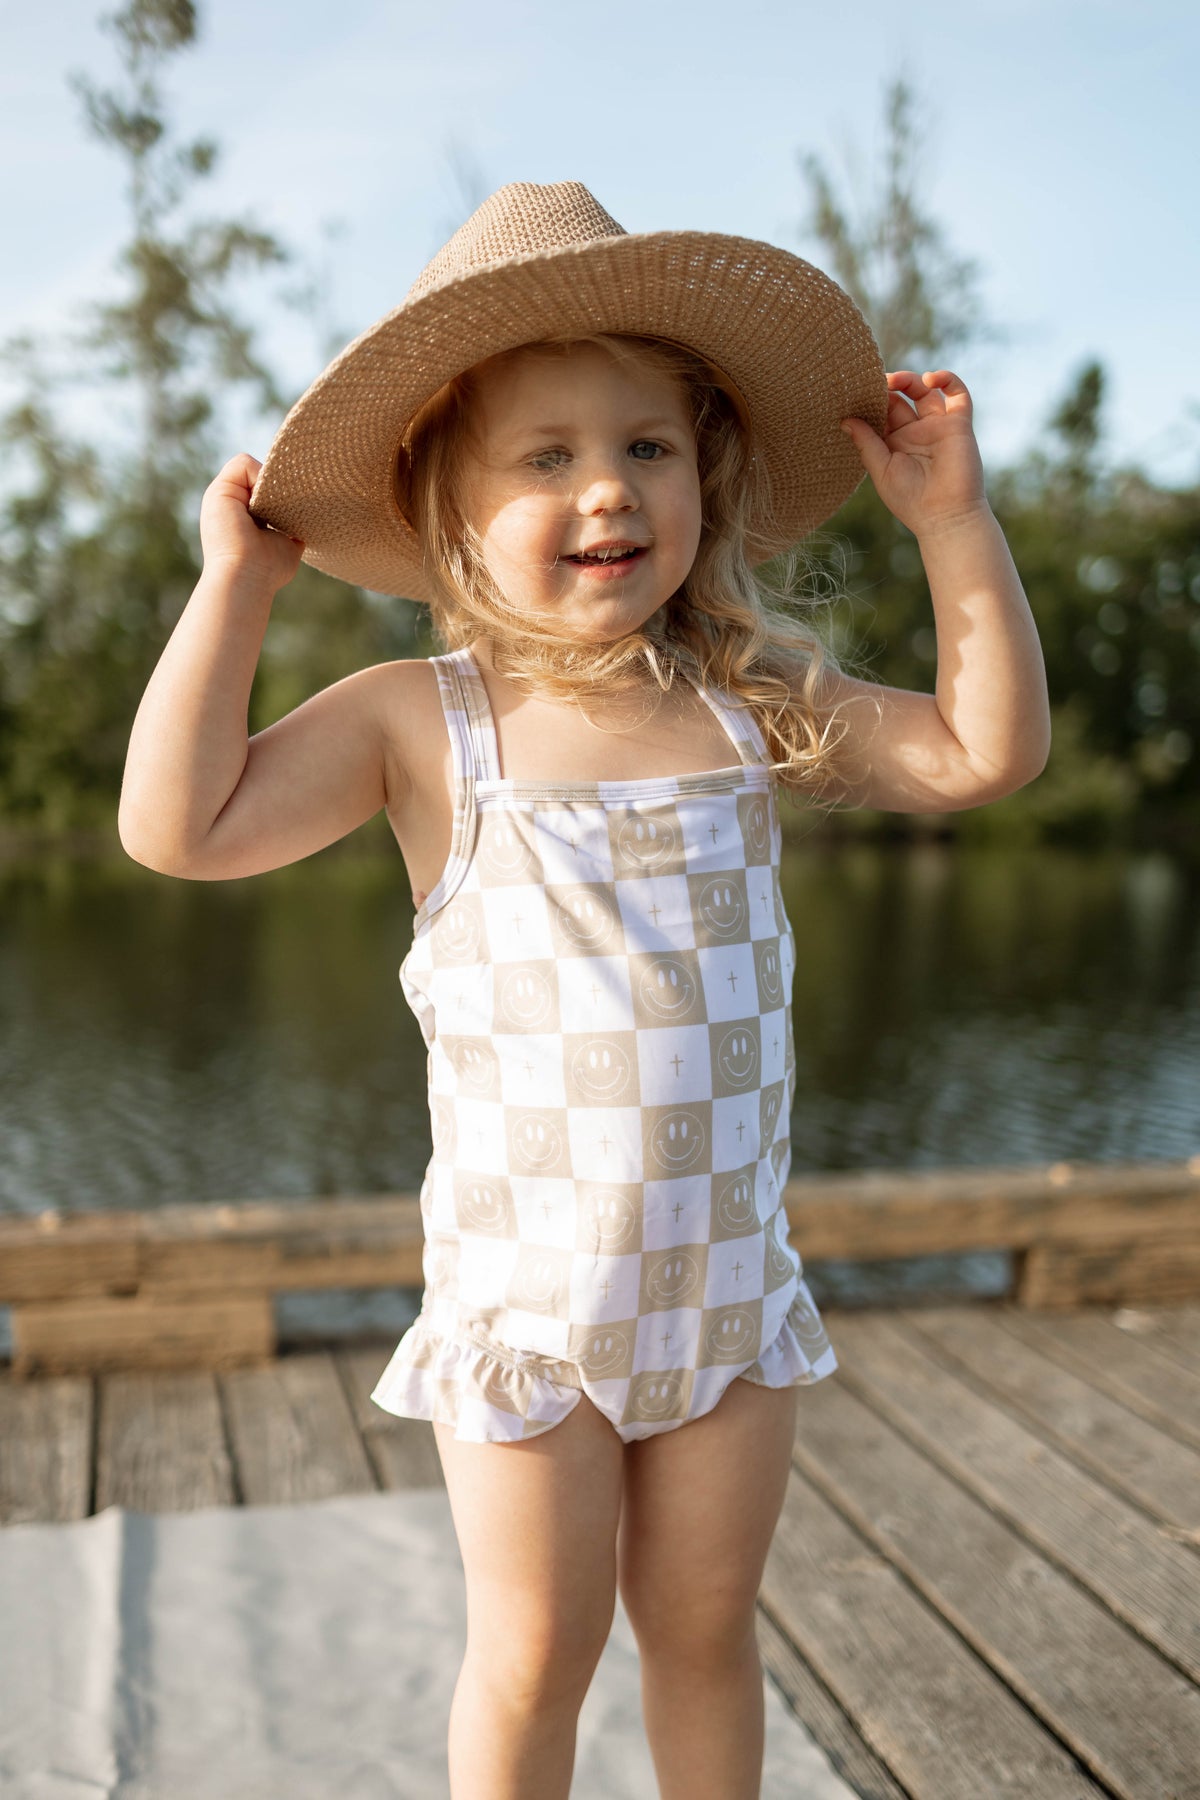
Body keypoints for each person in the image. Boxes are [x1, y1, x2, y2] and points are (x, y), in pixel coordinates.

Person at [118, 181, 1051, 1800]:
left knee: (705, 1629)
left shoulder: (754, 698)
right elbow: (175, 829)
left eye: (646, 446)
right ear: (445, 502)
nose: (606, 488)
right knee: (536, 1654)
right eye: (544, 456)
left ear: (706, 475)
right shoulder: (422, 719)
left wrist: (953, 524)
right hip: (532, 1314)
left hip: (721, 1298)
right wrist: (238, 592)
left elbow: (982, 753)